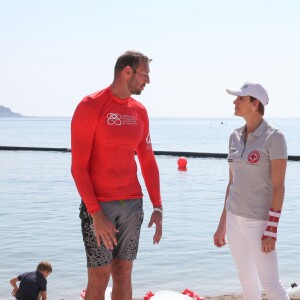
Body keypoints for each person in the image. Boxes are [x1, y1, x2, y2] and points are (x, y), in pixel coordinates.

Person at [71, 50, 163, 300]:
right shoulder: (91, 105)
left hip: (133, 204)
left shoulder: (139, 111)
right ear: (127, 72)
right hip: (100, 206)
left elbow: (147, 160)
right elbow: (78, 167)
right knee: (99, 275)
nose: (148, 81)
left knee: (124, 271)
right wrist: (96, 214)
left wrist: (158, 206)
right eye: (145, 75)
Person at [213, 82, 289, 300]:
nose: (234, 102)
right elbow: (232, 182)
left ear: (255, 104)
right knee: (246, 281)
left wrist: (271, 231)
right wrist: (222, 225)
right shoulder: (234, 137)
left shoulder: (275, 138)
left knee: (271, 284)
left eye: (240, 99)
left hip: (259, 223)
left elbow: (279, 187)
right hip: (234, 220)